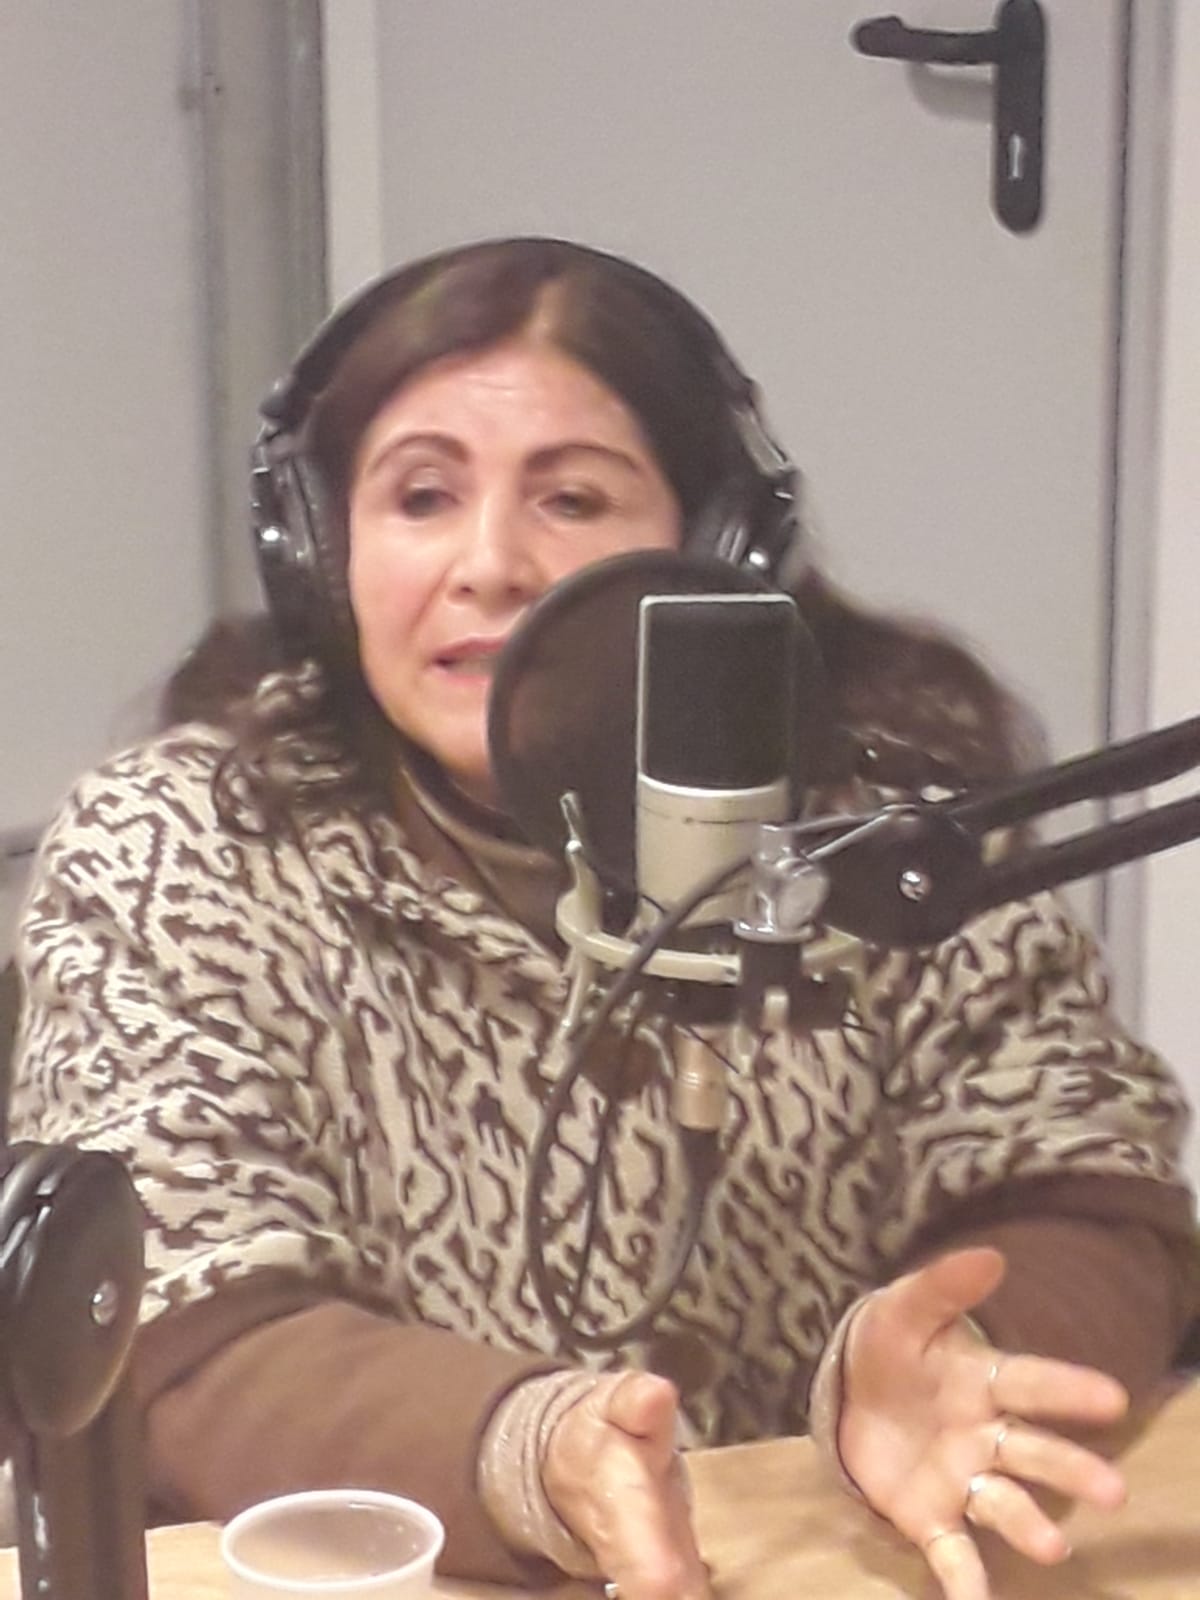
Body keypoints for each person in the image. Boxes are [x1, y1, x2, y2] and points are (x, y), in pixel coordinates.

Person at [9, 237, 1197, 1600]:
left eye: (571, 499)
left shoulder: (884, 829)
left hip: (816, 1565)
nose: (491, 564)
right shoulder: (183, 846)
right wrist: (530, 1450)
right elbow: (178, 1324)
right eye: (421, 497)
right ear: (321, 554)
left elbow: (1085, 1184)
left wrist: (971, 1351)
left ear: (714, 548)